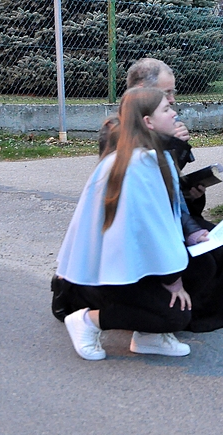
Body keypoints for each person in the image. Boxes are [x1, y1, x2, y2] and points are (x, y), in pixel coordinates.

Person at [56, 88, 204, 360]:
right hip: (111, 273)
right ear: (148, 122)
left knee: (196, 279)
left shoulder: (151, 155)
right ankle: (87, 321)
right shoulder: (138, 164)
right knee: (175, 315)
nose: (174, 113)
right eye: (166, 109)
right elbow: (151, 231)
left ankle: (148, 336)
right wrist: (173, 281)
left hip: (126, 266)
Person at [126, 58, 223, 332]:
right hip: (147, 227)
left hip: (173, 215)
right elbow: (151, 193)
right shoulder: (122, 131)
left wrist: (191, 193)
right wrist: (174, 145)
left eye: (172, 93)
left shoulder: (161, 125)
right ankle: (178, 313)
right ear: (143, 90)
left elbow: (171, 186)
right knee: (203, 258)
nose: (173, 101)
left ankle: (208, 315)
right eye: (166, 94)